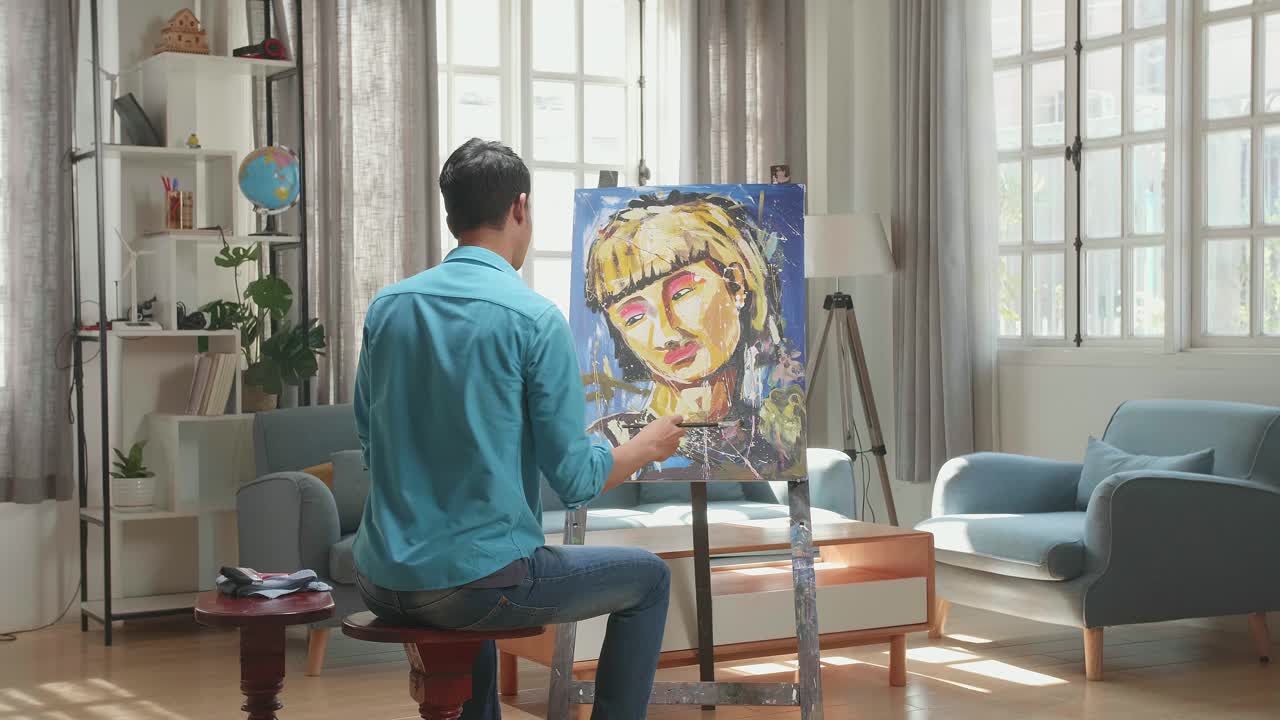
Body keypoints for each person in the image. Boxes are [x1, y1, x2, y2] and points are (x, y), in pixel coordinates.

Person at [352, 138, 686, 720]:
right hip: (476, 586)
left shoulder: (388, 307)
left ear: (450, 215)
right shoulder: (533, 319)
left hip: (381, 579)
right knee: (651, 580)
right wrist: (644, 446)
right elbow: (576, 477)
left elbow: (369, 440)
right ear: (520, 209)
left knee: (471, 582)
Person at [582, 191, 807, 479]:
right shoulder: (610, 444)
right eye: (635, 316)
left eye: (682, 292)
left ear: (736, 285)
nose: (667, 333)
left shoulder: (775, 440)